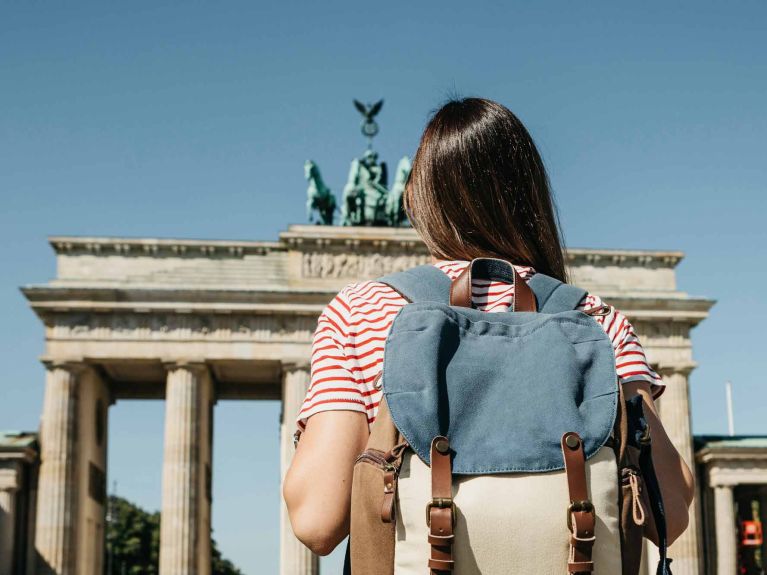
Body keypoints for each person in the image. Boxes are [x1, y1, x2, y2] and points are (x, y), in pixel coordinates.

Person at [283, 97, 695, 557]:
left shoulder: (363, 310)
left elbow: (318, 520)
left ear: (417, 199)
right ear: (531, 196)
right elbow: (670, 511)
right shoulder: (597, 321)